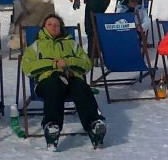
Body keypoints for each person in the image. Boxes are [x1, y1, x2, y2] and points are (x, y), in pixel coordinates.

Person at [21, 13, 107, 149]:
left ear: (61, 28)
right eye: (50, 24)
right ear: (44, 27)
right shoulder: (36, 45)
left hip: (71, 80)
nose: (53, 27)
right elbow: (27, 67)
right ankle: (52, 126)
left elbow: (87, 64)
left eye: (56, 25)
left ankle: (94, 125)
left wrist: (68, 62)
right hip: (47, 81)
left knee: (81, 86)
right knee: (54, 85)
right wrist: (53, 64)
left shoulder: (71, 44)